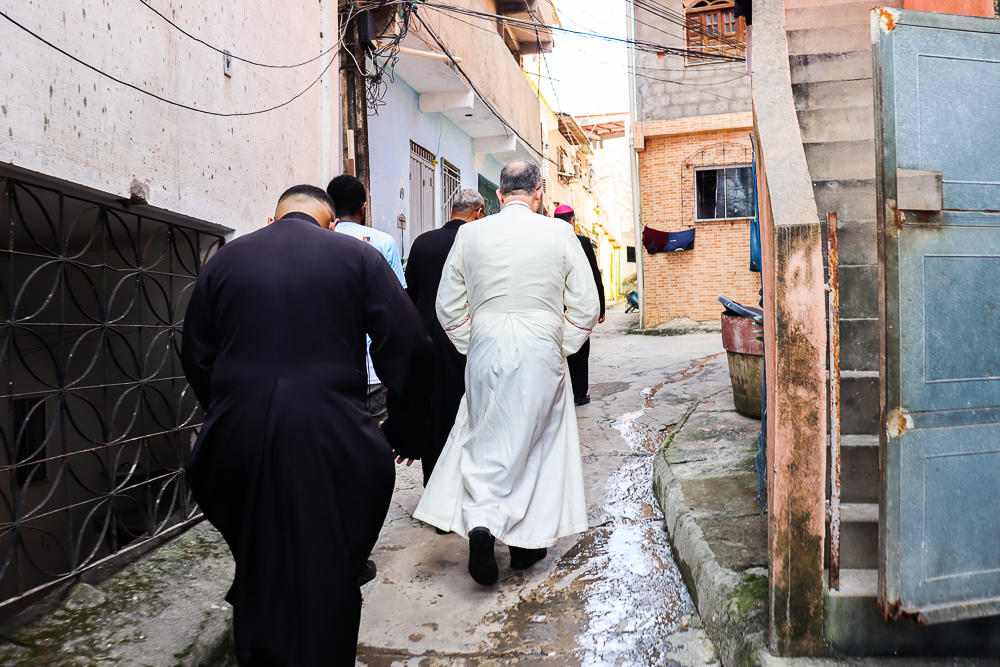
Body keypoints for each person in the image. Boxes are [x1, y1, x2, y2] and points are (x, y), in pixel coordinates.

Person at [182, 185, 431, 666]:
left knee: (259, 561)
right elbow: (410, 346)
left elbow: (196, 353)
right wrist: (404, 429)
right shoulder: (356, 256)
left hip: (239, 432)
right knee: (330, 563)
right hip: (331, 433)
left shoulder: (226, 260)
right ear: (331, 223)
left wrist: (230, 411)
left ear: (272, 220)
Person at [413, 160, 601, 586]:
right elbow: (587, 305)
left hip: (486, 343)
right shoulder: (559, 232)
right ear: (539, 193)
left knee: (486, 435)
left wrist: (473, 343)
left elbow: (448, 305)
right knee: (538, 441)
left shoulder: (471, 233)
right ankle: (523, 547)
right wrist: (562, 344)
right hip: (541, 344)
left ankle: (482, 523)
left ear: (499, 195)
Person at [404, 189, 485, 487]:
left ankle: (433, 486)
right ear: (478, 211)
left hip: (426, 338)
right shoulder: (477, 243)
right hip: (463, 338)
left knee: (432, 413)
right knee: (464, 412)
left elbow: (411, 294)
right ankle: (461, 486)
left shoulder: (422, 242)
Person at [327, 174, 407, 423]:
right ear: (363, 207)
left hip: (327, 368)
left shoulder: (317, 240)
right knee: (376, 445)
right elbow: (398, 307)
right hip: (373, 369)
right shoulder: (383, 243)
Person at [553, 204, 606, 406]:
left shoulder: (549, 241)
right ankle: (580, 394)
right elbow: (594, 274)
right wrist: (600, 304)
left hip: (557, 304)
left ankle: (563, 392)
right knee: (581, 347)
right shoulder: (583, 242)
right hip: (578, 304)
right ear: (573, 221)